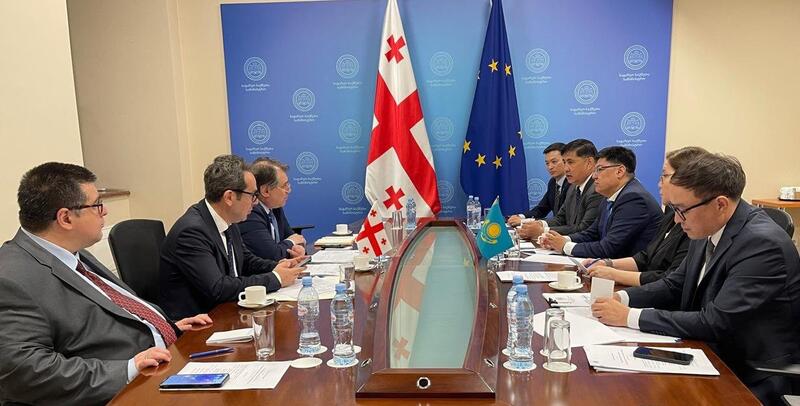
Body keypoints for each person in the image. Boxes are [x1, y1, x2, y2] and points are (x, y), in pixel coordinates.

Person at [591, 154, 800, 405]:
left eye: (681, 210)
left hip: (749, 373)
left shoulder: (762, 244)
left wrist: (629, 316)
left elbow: (716, 321)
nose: (676, 219)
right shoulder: (706, 226)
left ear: (720, 204)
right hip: (705, 352)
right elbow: (674, 284)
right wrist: (621, 298)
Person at [0, 162, 212, 405]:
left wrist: (167, 327)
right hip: (121, 393)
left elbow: (107, 316)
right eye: (97, 205)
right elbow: (24, 373)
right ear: (66, 218)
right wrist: (127, 369)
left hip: (162, 363)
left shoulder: (73, 252)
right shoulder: (11, 278)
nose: (105, 211)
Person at [159, 155, 303, 320]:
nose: (256, 202)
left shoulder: (229, 219)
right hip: (198, 324)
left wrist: (278, 266)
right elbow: (218, 288)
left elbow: (246, 261)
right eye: (252, 195)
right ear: (229, 197)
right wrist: (276, 278)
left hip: (225, 312)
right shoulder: (192, 232)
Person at [584, 147, 707, 286]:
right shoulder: (671, 213)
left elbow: (672, 281)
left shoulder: (697, 224)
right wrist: (608, 264)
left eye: (664, 176)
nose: (659, 184)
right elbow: (647, 256)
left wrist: (613, 274)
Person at [541, 146, 662, 258]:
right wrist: (562, 240)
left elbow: (608, 248)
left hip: (630, 270)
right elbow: (592, 233)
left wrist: (565, 246)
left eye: (599, 169)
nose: (594, 176)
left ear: (620, 171)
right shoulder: (610, 195)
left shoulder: (633, 199)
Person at [518, 139, 603, 240]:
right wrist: (539, 224)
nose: (566, 168)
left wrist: (542, 231)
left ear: (589, 163)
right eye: (564, 162)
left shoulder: (598, 190)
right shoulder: (573, 187)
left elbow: (584, 229)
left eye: (570, 162)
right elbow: (560, 219)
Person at [239, 157, 306, 261]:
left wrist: (298, 248)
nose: (289, 190)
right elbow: (273, 255)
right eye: (284, 186)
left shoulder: (275, 207)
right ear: (265, 191)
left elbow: (295, 237)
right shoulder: (250, 212)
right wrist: (291, 242)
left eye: (288, 185)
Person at [508, 142, 570, 226]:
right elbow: (541, 209)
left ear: (565, 161)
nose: (550, 167)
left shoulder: (572, 184)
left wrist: (523, 221)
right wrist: (520, 216)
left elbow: (563, 219)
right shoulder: (552, 182)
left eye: (554, 162)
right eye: (547, 163)